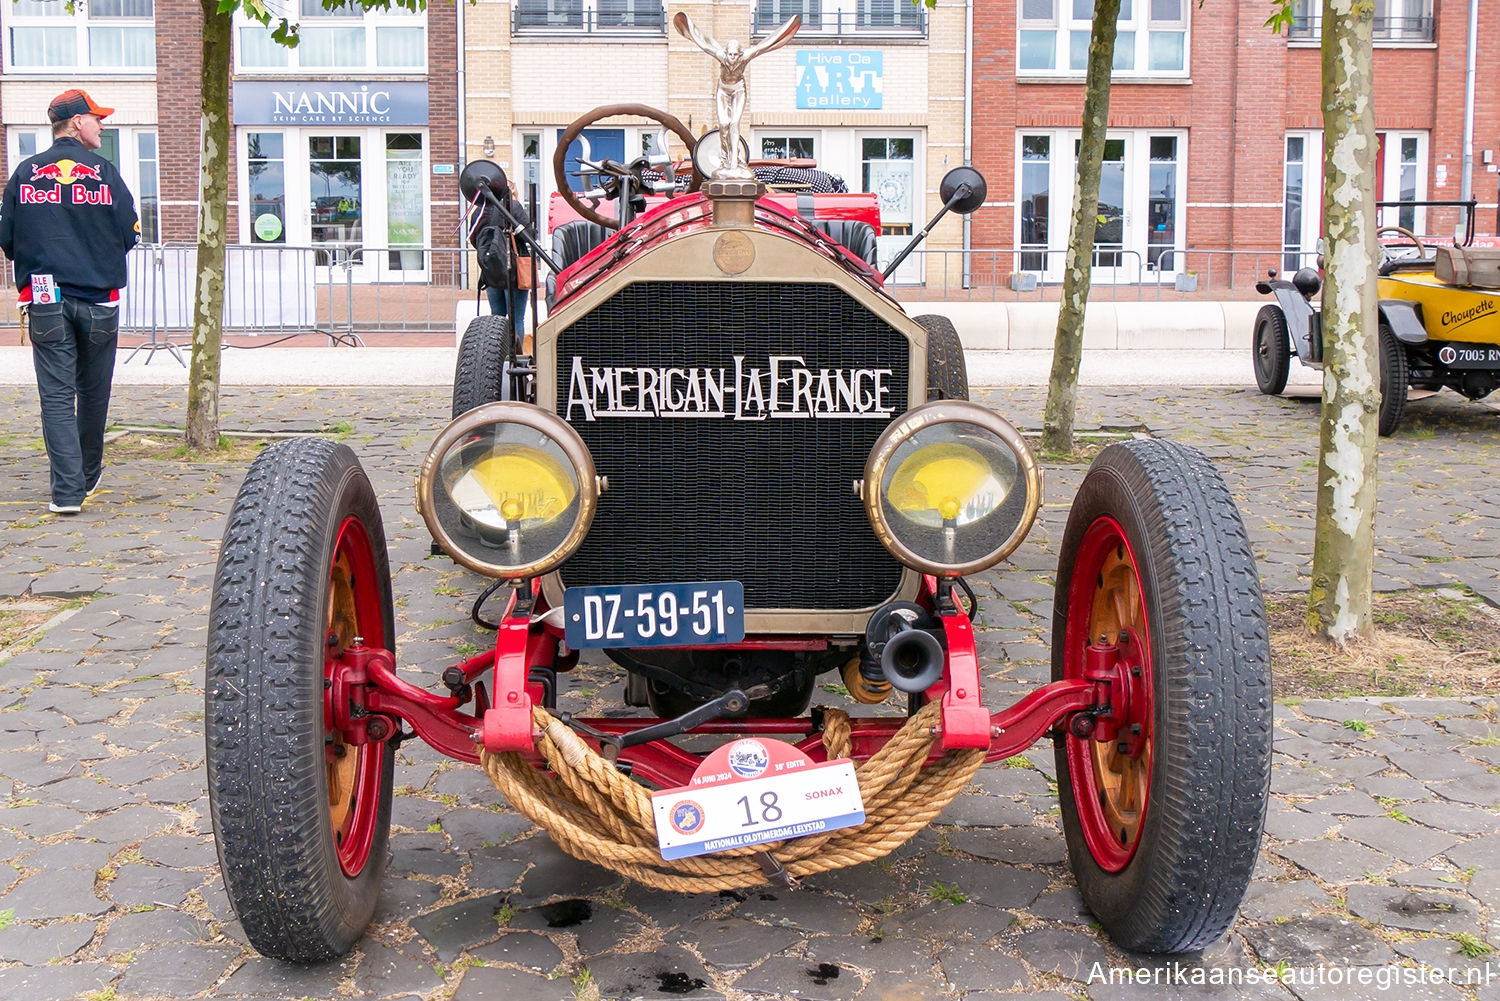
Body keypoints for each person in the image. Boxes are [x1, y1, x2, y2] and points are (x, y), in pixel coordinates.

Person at [0, 89, 139, 515]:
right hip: (99, 300)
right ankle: (88, 474)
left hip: (44, 298)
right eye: (96, 118)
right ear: (77, 122)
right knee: (94, 393)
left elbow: (6, 240)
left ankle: (66, 493)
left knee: (56, 396)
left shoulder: (24, 173)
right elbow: (130, 233)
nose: (102, 125)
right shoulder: (105, 173)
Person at [478, 182, 531, 336]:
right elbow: (529, 235)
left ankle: (496, 355)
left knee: (496, 318)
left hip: (490, 271)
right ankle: (516, 357)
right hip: (514, 271)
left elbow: (475, 238)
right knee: (516, 320)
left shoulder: (481, 210)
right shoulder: (513, 207)